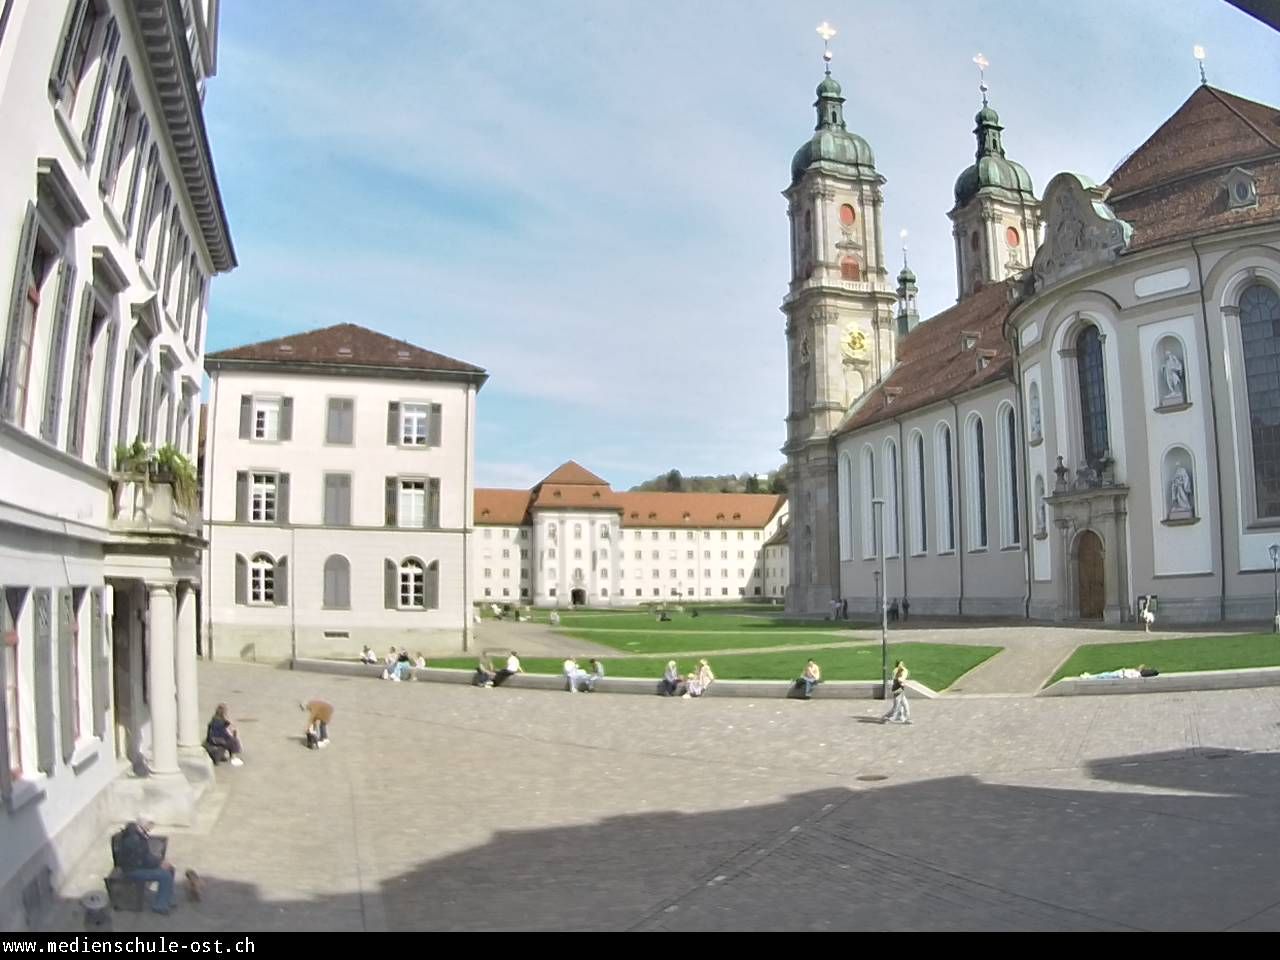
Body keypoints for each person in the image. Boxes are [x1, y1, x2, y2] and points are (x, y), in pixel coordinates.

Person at [112, 818, 176, 915]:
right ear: (144, 824)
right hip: (132, 870)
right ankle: (160, 906)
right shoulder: (134, 839)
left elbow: (144, 856)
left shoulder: (138, 833)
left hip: (137, 865)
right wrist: (159, 863)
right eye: (151, 824)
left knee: (170, 869)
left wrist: (160, 862)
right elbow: (142, 859)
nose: (152, 826)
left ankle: (165, 899)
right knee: (165, 875)